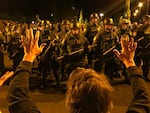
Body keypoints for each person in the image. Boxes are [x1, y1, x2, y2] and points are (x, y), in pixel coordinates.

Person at [7, 28, 150, 113]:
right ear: (109, 104)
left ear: (69, 103)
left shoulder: (84, 38)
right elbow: (143, 98)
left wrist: (28, 56)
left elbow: (17, 97)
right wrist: (130, 63)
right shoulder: (68, 38)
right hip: (72, 61)